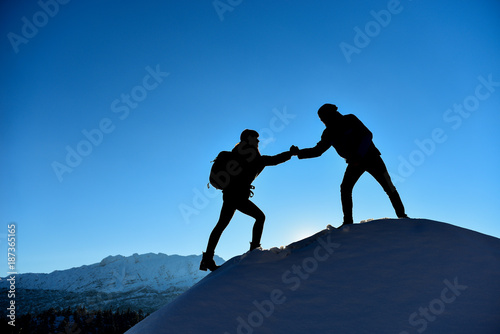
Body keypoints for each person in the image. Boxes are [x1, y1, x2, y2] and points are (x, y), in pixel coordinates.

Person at [291, 103, 407, 227]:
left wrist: (359, 155)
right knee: (345, 188)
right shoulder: (328, 133)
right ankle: (347, 222)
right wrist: (299, 153)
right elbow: (318, 150)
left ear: (331, 114)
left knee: (388, 186)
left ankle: (402, 216)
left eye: (323, 117)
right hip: (355, 163)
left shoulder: (350, 119)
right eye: (321, 119)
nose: (323, 121)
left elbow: (367, 135)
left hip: (372, 158)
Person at [200, 129, 295, 271]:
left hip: (229, 195)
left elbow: (270, 161)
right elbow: (273, 160)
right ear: (248, 139)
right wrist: (290, 153)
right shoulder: (253, 157)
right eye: (255, 138)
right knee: (260, 217)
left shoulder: (234, 154)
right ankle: (254, 251)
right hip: (238, 196)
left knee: (221, 225)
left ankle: (207, 259)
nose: (258, 141)